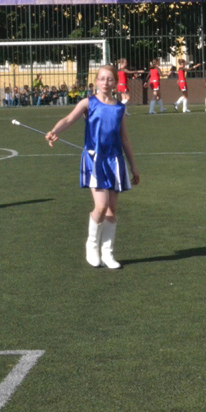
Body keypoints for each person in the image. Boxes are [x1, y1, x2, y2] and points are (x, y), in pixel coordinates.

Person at [46, 65, 140, 269]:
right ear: (96, 81)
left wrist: (133, 166)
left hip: (115, 161)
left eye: (110, 79)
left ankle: (107, 253)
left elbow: (124, 138)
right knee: (101, 206)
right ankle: (92, 246)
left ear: (115, 83)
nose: (106, 82)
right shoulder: (88, 103)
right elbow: (68, 119)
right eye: (102, 78)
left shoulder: (119, 108)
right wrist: (55, 131)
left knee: (112, 209)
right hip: (94, 159)